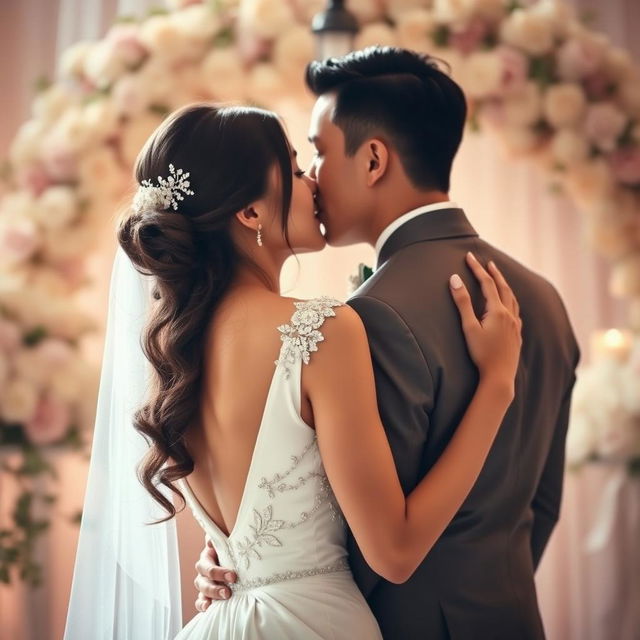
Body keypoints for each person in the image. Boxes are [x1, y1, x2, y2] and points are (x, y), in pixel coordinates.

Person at [64, 98, 522, 640]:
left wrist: (224, 558)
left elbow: (247, 536)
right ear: (251, 213)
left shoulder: (173, 356)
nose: (312, 184)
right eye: (297, 170)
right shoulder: (322, 329)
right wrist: (495, 385)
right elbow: (394, 553)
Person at [195, 47, 581, 639]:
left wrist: (253, 575)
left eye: (317, 154)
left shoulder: (368, 316)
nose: (312, 178)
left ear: (373, 159)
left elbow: (364, 541)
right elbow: (542, 504)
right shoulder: (543, 299)